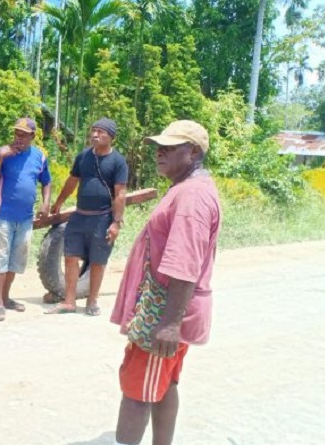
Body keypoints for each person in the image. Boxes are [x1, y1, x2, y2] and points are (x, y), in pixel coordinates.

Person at [110, 120, 221, 445]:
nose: (160, 152)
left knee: (137, 392)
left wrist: (170, 324)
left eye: (170, 147)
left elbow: (184, 262)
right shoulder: (187, 188)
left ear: (194, 152)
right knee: (163, 384)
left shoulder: (192, 196)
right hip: (166, 309)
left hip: (164, 311)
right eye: (160, 146)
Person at [45, 118, 128, 316]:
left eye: (100, 132)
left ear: (111, 137)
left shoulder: (118, 161)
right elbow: (72, 181)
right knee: (70, 257)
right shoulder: (83, 157)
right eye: (93, 130)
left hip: (102, 219)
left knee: (98, 262)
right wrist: (58, 203)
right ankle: (69, 302)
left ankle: (92, 301)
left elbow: (120, 194)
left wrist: (116, 223)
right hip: (79, 216)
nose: (95, 135)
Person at [0, 117, 52, 322]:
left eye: (23, 135)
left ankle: (6, 298)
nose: (18, 138)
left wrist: (46, 203)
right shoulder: (2, 153)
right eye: (16, 133)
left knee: (16, 258)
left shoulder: (39, 156)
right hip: (3, 215)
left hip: (26, 218)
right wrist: (0, 158)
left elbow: (46, 182)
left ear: (32, 136)